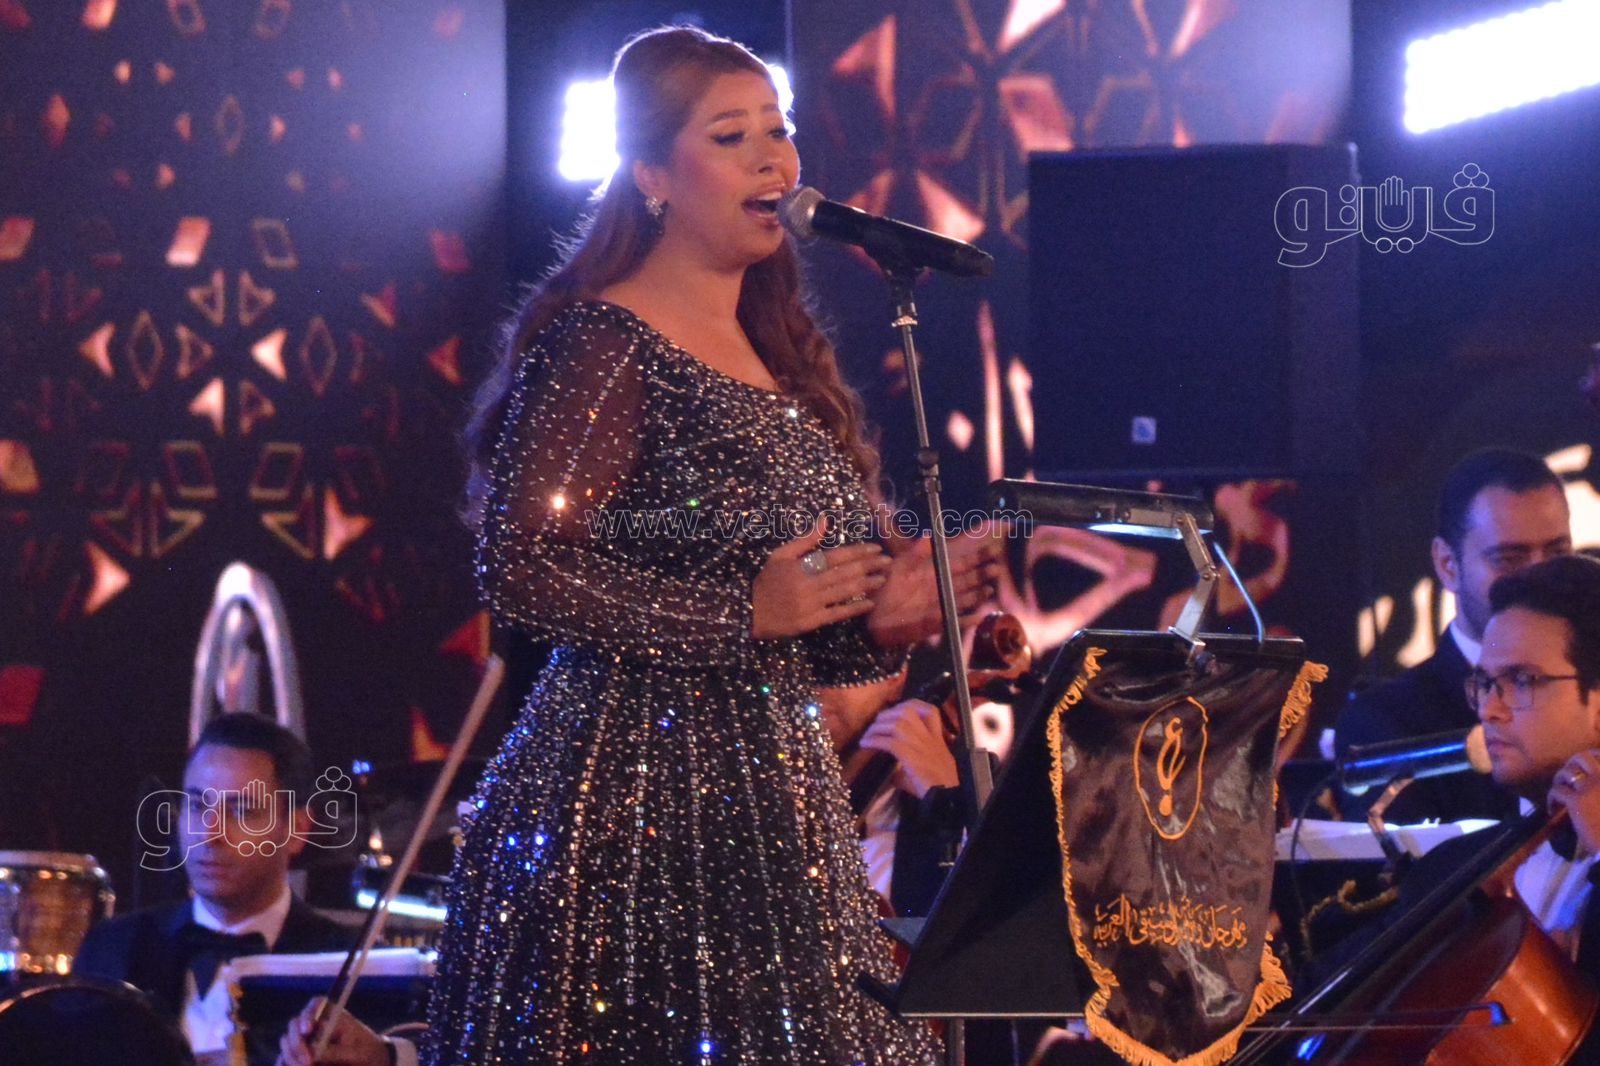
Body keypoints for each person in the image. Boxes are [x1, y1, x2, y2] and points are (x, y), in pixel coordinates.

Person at [427, 25, 998, 1064]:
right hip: (624, 821)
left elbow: (794, 632)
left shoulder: (777, 355)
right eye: (731, 137)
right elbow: (522, 566)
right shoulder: (603, 341)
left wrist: (877, 618)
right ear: (650, 174)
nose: (773, 160)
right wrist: (741, 612)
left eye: (778, 131)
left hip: (777, 816)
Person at [74, 714, 407, 1066]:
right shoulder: (111, 948)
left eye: (242, 812)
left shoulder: (359, 969)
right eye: (197, 805)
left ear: (296, 829)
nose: (210, 833)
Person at [1336, 448, 1572, 823]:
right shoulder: (1388, 724)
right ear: (1448, 565)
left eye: (1558, 553)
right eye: (1509, 559)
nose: (1540, 578)